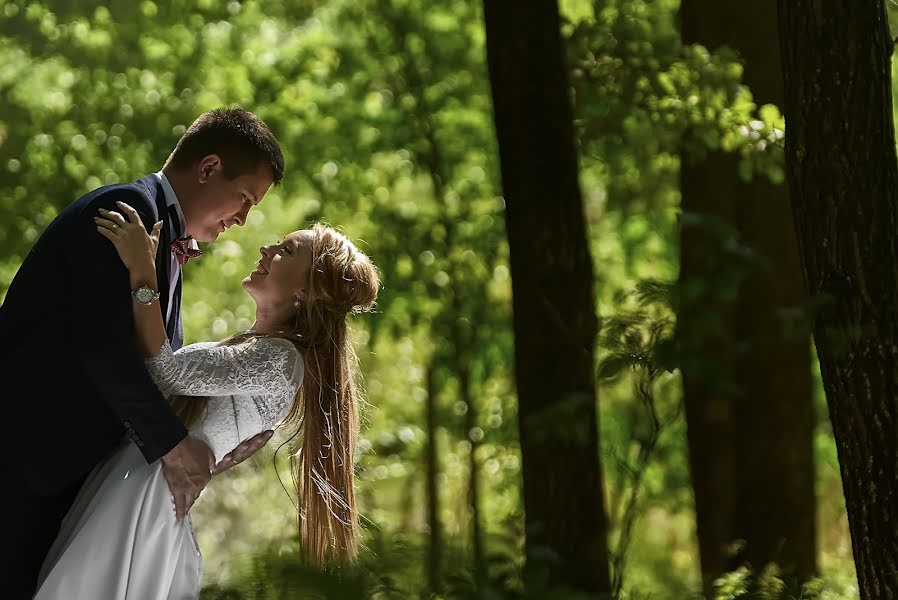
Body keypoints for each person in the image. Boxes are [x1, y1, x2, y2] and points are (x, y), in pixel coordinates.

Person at [0, 107, 284, 598]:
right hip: (25, 459)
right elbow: (104, 349)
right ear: (209, 167)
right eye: (244, 199)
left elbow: (158, 369)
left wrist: (217, 444)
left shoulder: (164, 239)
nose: (242, 219)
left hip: (68, 473)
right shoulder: (126, 209)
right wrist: (175, 448)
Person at [34, 204, 379, 598]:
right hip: (139, 477)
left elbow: (166, 371)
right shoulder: (260, 349)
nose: (267, 249)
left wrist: (143, 272)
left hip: (144, 490)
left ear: (308, 290)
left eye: (287, 250)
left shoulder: (280, 360)